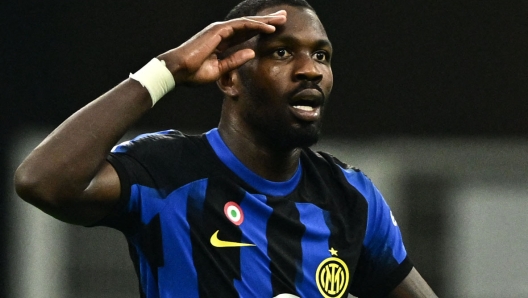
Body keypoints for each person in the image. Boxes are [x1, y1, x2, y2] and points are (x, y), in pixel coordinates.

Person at [14, 0, 438, 297]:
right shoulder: (168, 172)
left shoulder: (351, 198)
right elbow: (41, 181)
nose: (310, 69)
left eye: (322, 56)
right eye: (282, 52)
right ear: (230, 78)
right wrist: (169, 70)